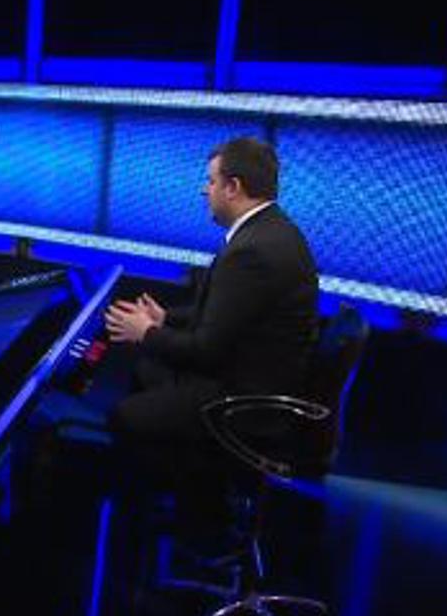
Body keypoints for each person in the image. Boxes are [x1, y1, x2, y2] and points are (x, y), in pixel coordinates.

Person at [101, 136, 319, 540]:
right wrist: (166, 318)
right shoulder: (273, 231)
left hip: (242, 402)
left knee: (123, 416)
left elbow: (205, 351)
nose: (205, 190)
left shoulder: (252, 251)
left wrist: (146, 332)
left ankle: (193, 521)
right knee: (148, 370)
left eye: (211, 181)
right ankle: (188, 498)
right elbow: (229, 314)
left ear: (233, 187)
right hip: (259, 380)